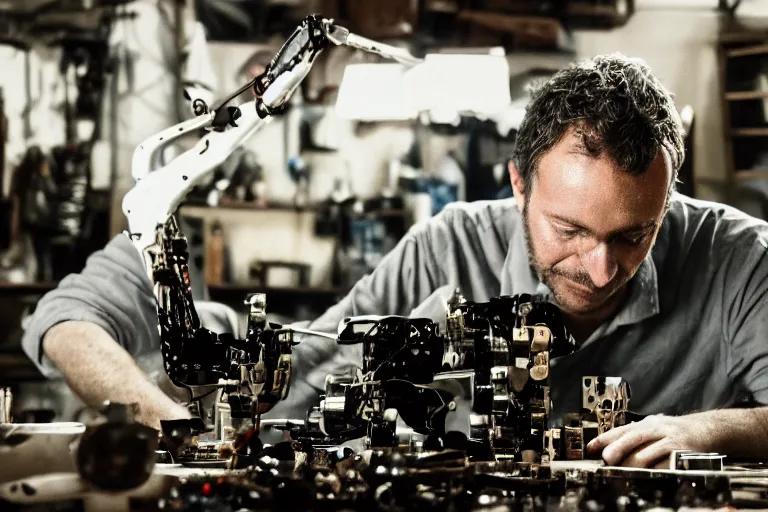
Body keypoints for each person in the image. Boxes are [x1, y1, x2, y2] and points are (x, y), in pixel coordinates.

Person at [21, 53, 768, 469]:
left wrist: (707, 430)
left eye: (634, 235)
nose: (602, 270)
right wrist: (172, 422)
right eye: (571, 229)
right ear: (516, 184)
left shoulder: (738, 258)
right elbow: (305, 387)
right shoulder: (444, 251)